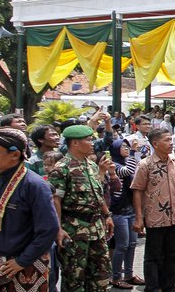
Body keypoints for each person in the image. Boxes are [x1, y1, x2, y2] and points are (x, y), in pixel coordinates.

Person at [0, 128, 59, 291]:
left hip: (27, 263)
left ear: (15, 155)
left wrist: (21, 261)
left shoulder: (35, 186)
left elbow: (49, 229)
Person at [48, 124, 115, 291]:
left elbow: (97, 193)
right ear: (75, 143)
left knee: (101, 275)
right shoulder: (62, 168)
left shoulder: (91, 165)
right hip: (74, 229)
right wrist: (58, 229)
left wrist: (107, 215)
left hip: (96, 228)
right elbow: (55, 200)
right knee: (74, 277)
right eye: (88, 140)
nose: (92, 143)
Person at [131, 128, 175, 292]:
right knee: (153, 257)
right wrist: (139, 218)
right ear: (155, 144)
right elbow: (137, 190)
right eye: (167, 140)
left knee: (172, 255)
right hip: (155, 217)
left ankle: (168, 287)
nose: (171, 143)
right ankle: (153, 288)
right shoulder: (145, 164)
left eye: (171, 140)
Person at [109, 138, 143, 290]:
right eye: (123, 147)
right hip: (119, 211)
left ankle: (129, 275)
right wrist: (134, 152)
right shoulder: (114, 165)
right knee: (122, 245)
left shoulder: (128, 161)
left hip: (131, 209)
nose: (127, 149)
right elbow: (127, 171)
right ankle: (115, 277)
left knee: (132, 244)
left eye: (127, 147)